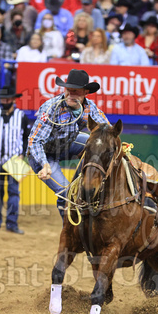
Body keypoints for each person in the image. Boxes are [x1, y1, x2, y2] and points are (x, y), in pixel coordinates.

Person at [27, 69, 109, 217]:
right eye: (68, 90)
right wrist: (44, 164)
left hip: (66, 144)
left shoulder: (90, 107)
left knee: (97, 145)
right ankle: (69, 231)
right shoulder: (51, 107)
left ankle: (82, 181)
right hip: (44, 154)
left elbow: (106, 131)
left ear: (85, 92)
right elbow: (35, 141)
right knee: (66, 193)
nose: (71, 95)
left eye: (76, 92)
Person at [0, 86, 31, 234]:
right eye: (3, 99)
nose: (6, 101)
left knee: (14, 192)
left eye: (8, 99)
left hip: (15, 159)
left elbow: (26, 138)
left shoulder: (21, 116)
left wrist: (23, 154)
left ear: (13, 100)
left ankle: (12, 224)